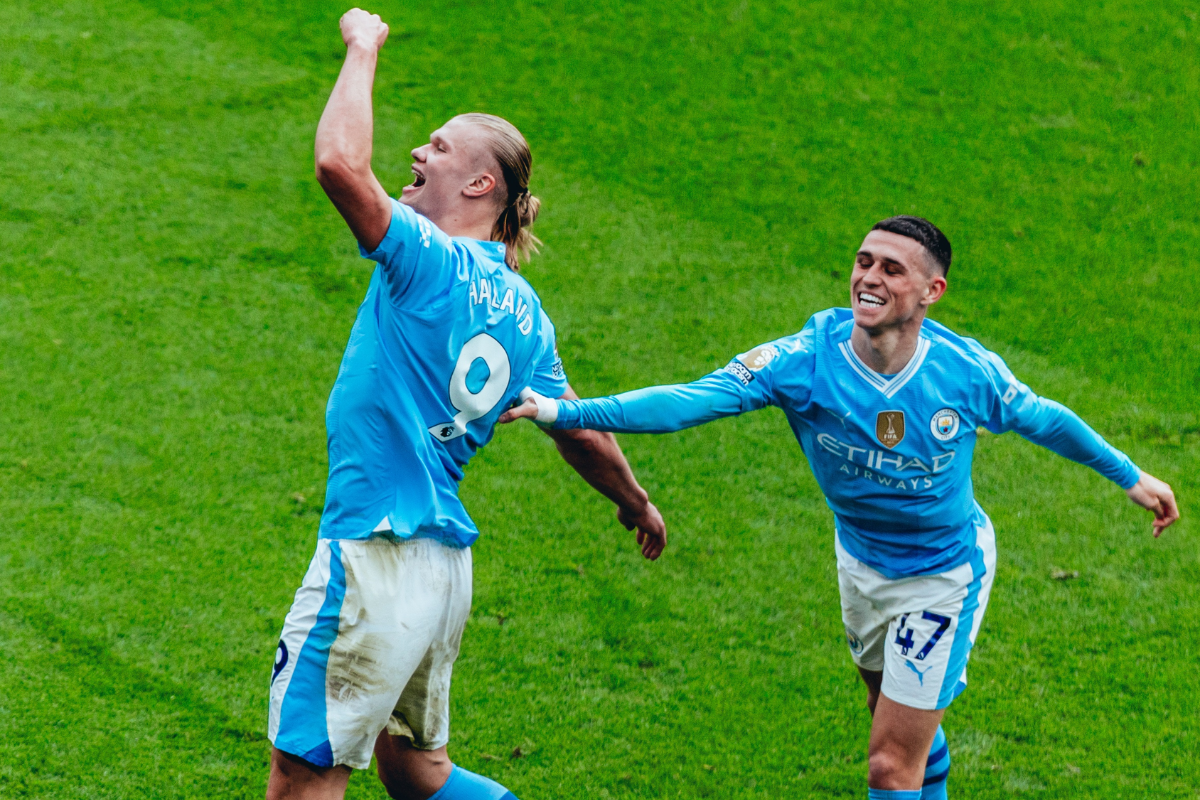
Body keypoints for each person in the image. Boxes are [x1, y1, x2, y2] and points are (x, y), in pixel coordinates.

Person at [502, 215, 1180, 800]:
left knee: (888, 767)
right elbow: (690, 399)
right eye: (863, 263)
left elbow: (1046, 419)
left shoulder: (964, 372)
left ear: (931, 292)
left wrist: (1129, 475)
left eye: (891, 268)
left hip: (943, 577)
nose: (869, 278)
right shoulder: (804, 360)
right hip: (859, 563)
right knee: (890, 716)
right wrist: (562, 409)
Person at [266, 8, 667, 800]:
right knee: (415, 772)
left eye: (439, 147)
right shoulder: (527, 315)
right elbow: (576, 429)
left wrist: (362, 47)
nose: (418, 152)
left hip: (374, 550)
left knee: (302, 773)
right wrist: (634, 500)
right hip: (442, 568)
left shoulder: (429, 259)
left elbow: (340, 165)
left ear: (481, 184)